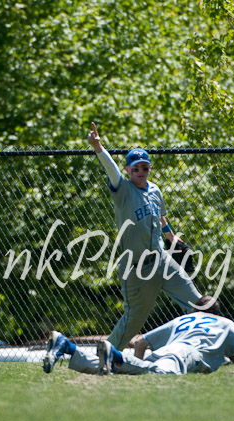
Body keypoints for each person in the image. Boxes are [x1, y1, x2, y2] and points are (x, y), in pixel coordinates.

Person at [81, 122, 202, 364]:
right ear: (128, 170)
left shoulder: (155, 190)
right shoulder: (123, 190)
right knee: (133, 321)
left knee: (198, 303)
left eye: (145, 167)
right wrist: (98, 147)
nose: (140, 171)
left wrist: (172, 239)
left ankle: (210, 350)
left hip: (162, 260)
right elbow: (111, 170)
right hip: (137, 269)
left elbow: (160, 217)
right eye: (135, 168)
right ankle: (102, 357)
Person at [43, 297, 234, 376]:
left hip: (166, 351)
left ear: (194, 310)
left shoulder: (182, 320)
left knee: (134, 368)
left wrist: (137, 362)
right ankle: (115, 356)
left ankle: (67, 347)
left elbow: (141, 342)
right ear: (215, 313)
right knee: (165, 374)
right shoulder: (224, 322)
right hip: (186, 355)